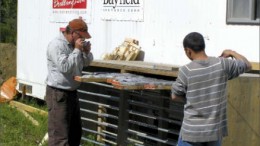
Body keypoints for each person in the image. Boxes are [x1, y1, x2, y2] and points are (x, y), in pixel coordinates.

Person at [171, 32, 251, 146]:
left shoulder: (186, 70)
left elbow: (174, 96)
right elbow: (247, 65)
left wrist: (190, 100)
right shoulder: (222, 64)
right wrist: (231, 52)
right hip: (214, 132)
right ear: (203, 46)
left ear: (188, 51)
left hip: (192, 133)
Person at [45, 18, 93, 146]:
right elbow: (65, 67)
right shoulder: (56, 45)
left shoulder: (74, 46)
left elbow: (86, 63)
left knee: (75, 134)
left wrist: (86, 53)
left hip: (72, 93)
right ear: (74, 33)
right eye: (81, 37)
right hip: (58, 93)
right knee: (59, 137)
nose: (82, 40)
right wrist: (77, 50)